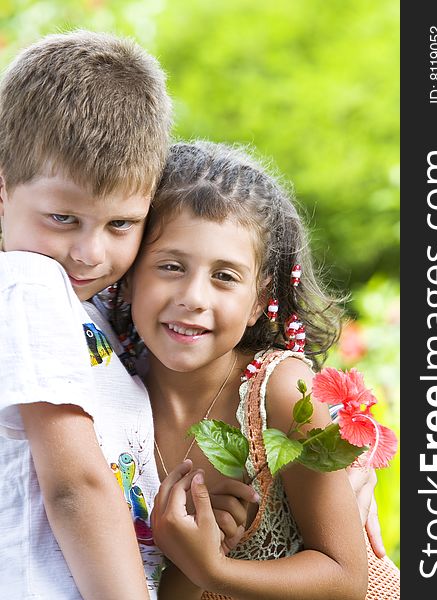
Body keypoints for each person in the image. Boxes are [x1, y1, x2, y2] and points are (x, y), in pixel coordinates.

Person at [124, 140, 376, 598]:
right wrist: (188, 567)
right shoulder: (112, 388)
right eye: (171, 266)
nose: (194, 297)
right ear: (130, 272)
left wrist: (214, 570)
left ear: (260, 299)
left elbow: (346, 579)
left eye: (225, 276)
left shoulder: (281, 393)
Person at [0, 29, 173, 599]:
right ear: (3, 190)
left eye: (120, 224)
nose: (90, 253)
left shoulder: (92, 306)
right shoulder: (27, 283)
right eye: (62, 218)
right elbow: (74, 484)